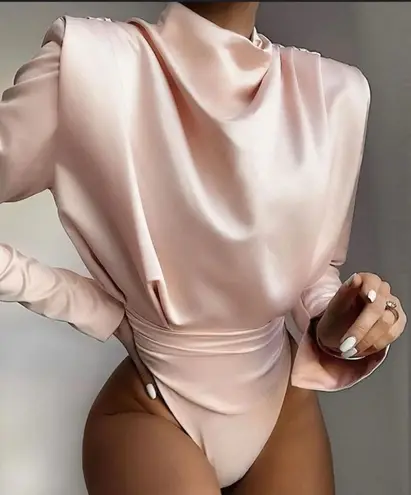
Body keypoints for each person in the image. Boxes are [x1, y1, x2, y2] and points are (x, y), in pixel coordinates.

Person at [0, 2, 406, 494]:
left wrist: (335, 322)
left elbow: (314, 268)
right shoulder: (85, 66)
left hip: (282, 410)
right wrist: (88, 305)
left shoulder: (336, 93)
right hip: (153, 414)